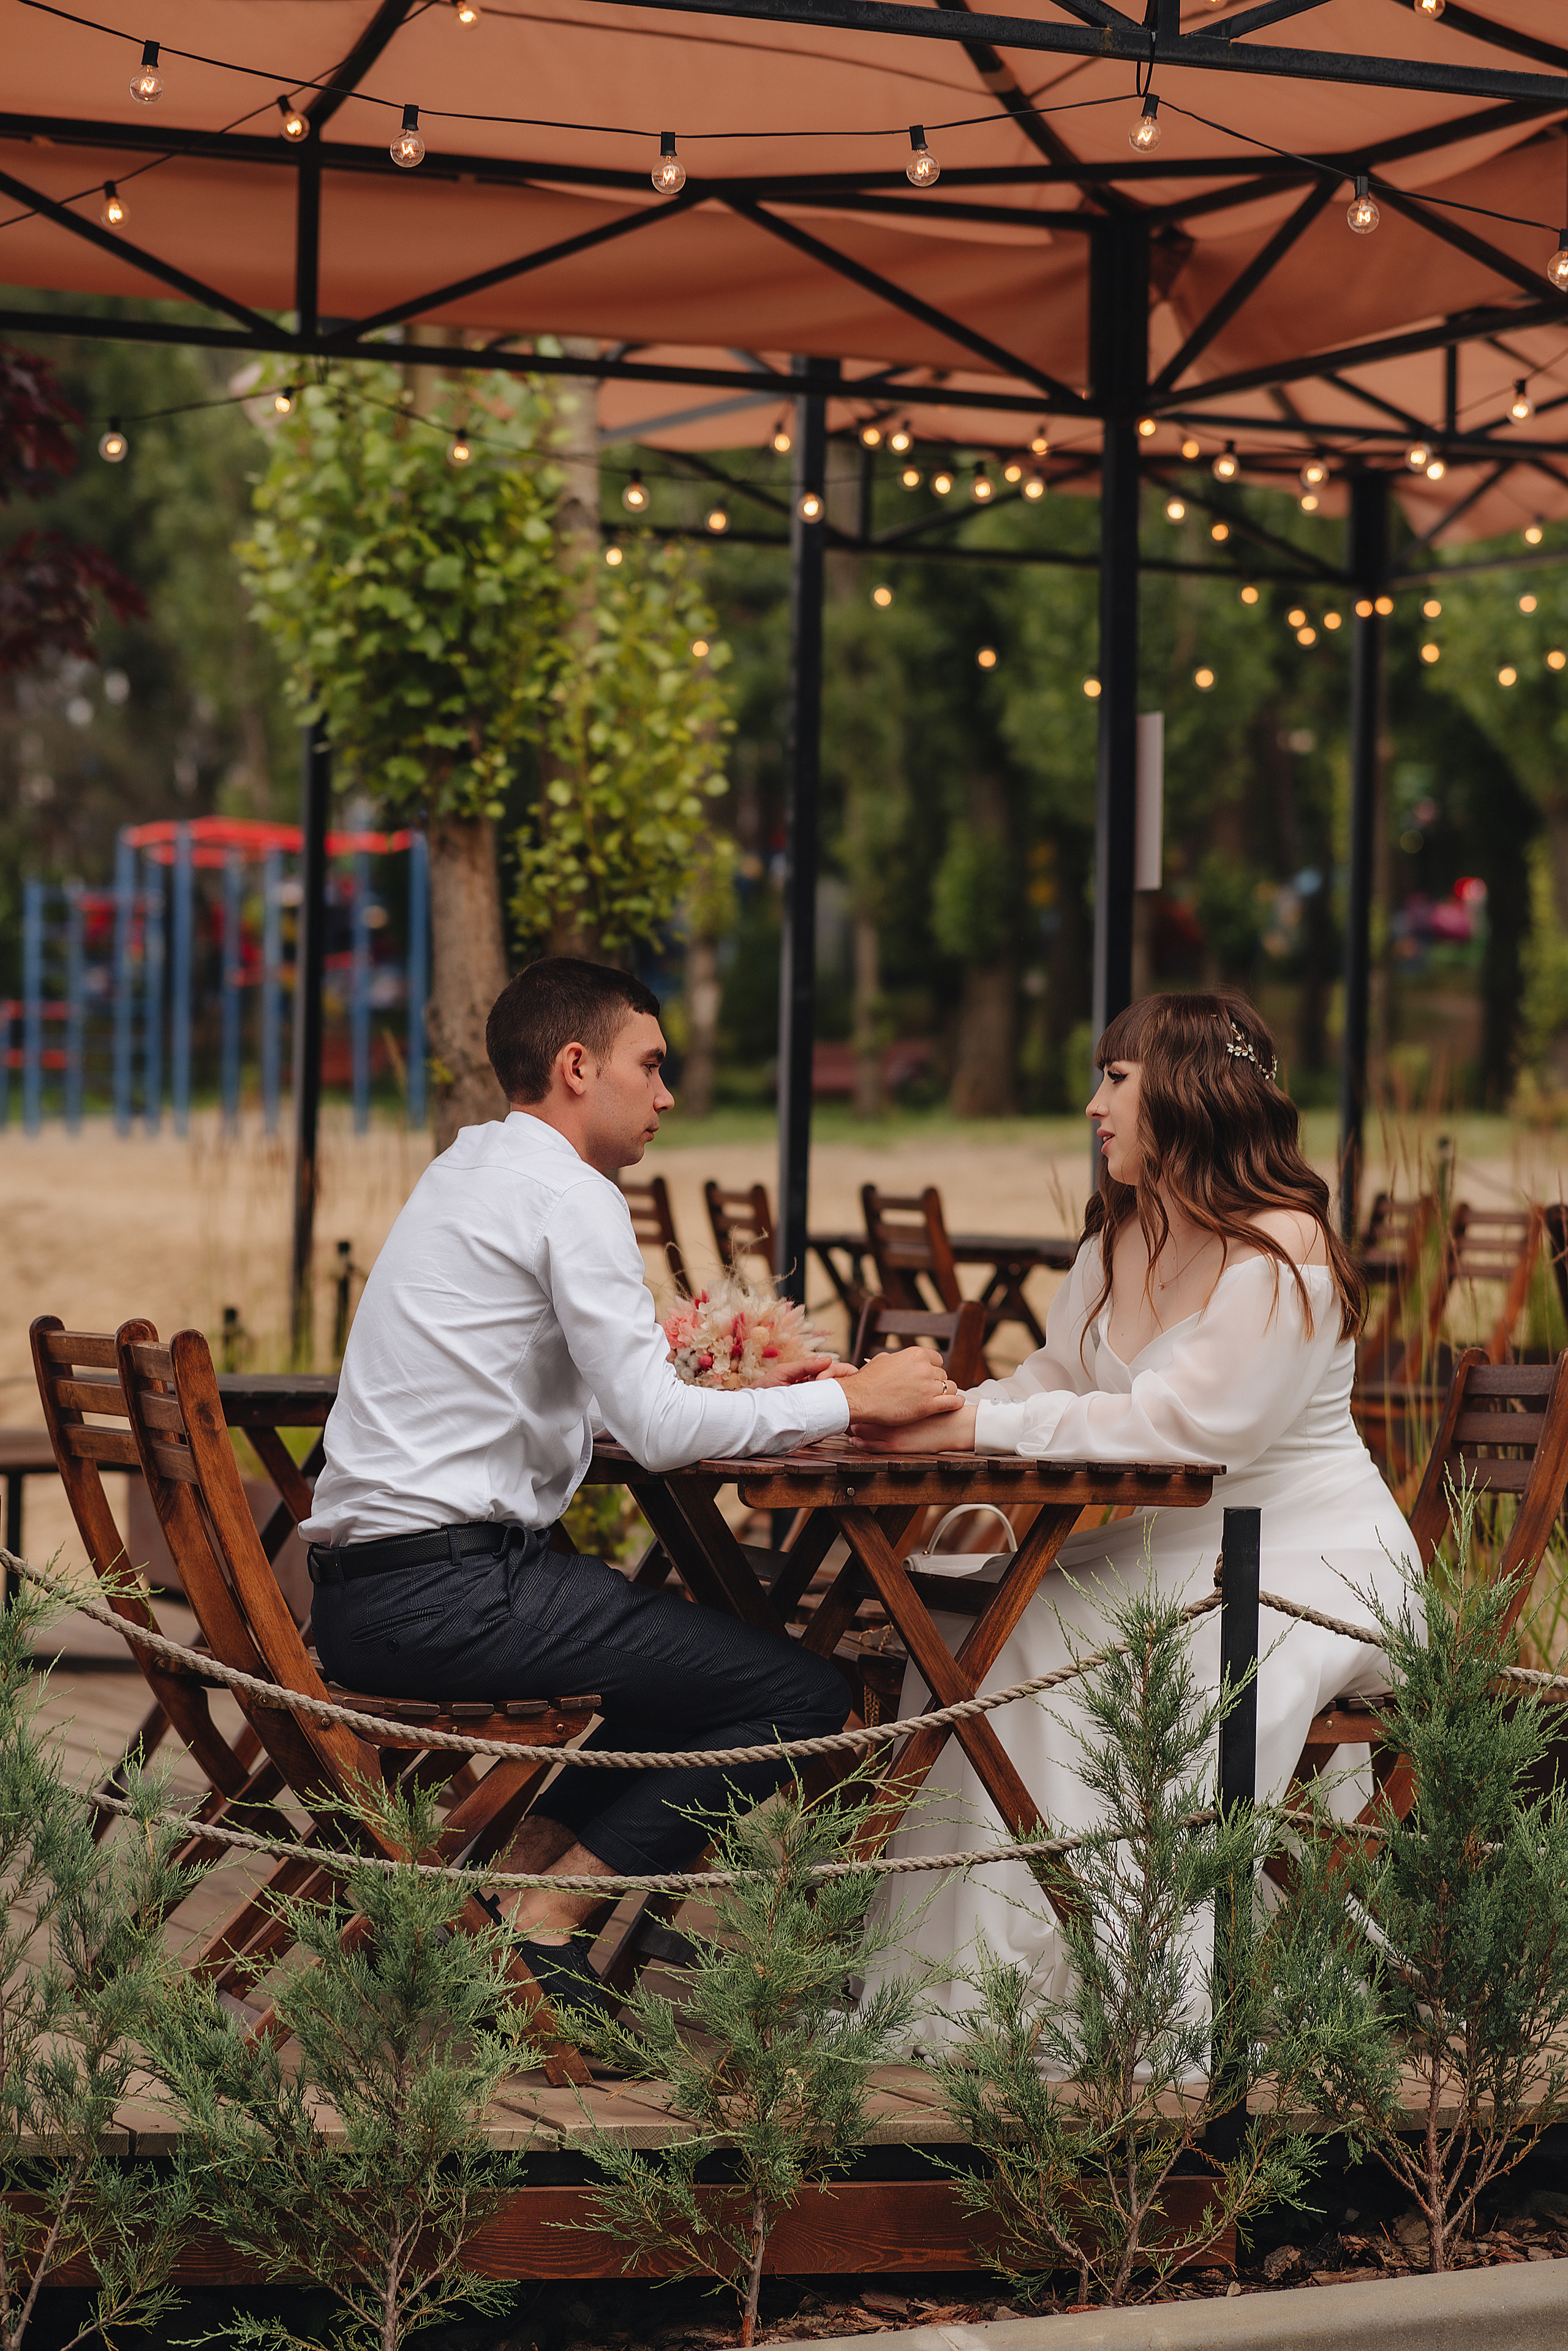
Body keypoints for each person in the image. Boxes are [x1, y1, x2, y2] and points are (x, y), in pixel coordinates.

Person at [300, 957, 960, 2018]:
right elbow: (656, 1432)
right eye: (649, 1066)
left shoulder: (467, 1169)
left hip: (365, 1598)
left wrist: (754, 1390)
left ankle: (514, 1898)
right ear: (578, 1065)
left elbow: (586, 1399)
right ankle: (546, 1920)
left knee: (685, 1679)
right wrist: (851, 1398)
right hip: (451, 1600)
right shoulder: (573, 1194)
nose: (667, 1094)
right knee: (801, 1695)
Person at [847, 992, 1419, 2039]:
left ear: (1187, 1088)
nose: (1093, 1105)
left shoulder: (1284, 1247)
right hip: (1184, 1543)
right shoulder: (1120, 1237)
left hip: (1304, 1554)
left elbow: (1191, 1429)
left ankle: (1116, 1975)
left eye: (1115, 1078)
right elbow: (1055, 1381)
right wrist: (931, 1411)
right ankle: (969, 1981)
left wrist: (977, 1422)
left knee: (1039, 1629)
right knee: (970, 1610)